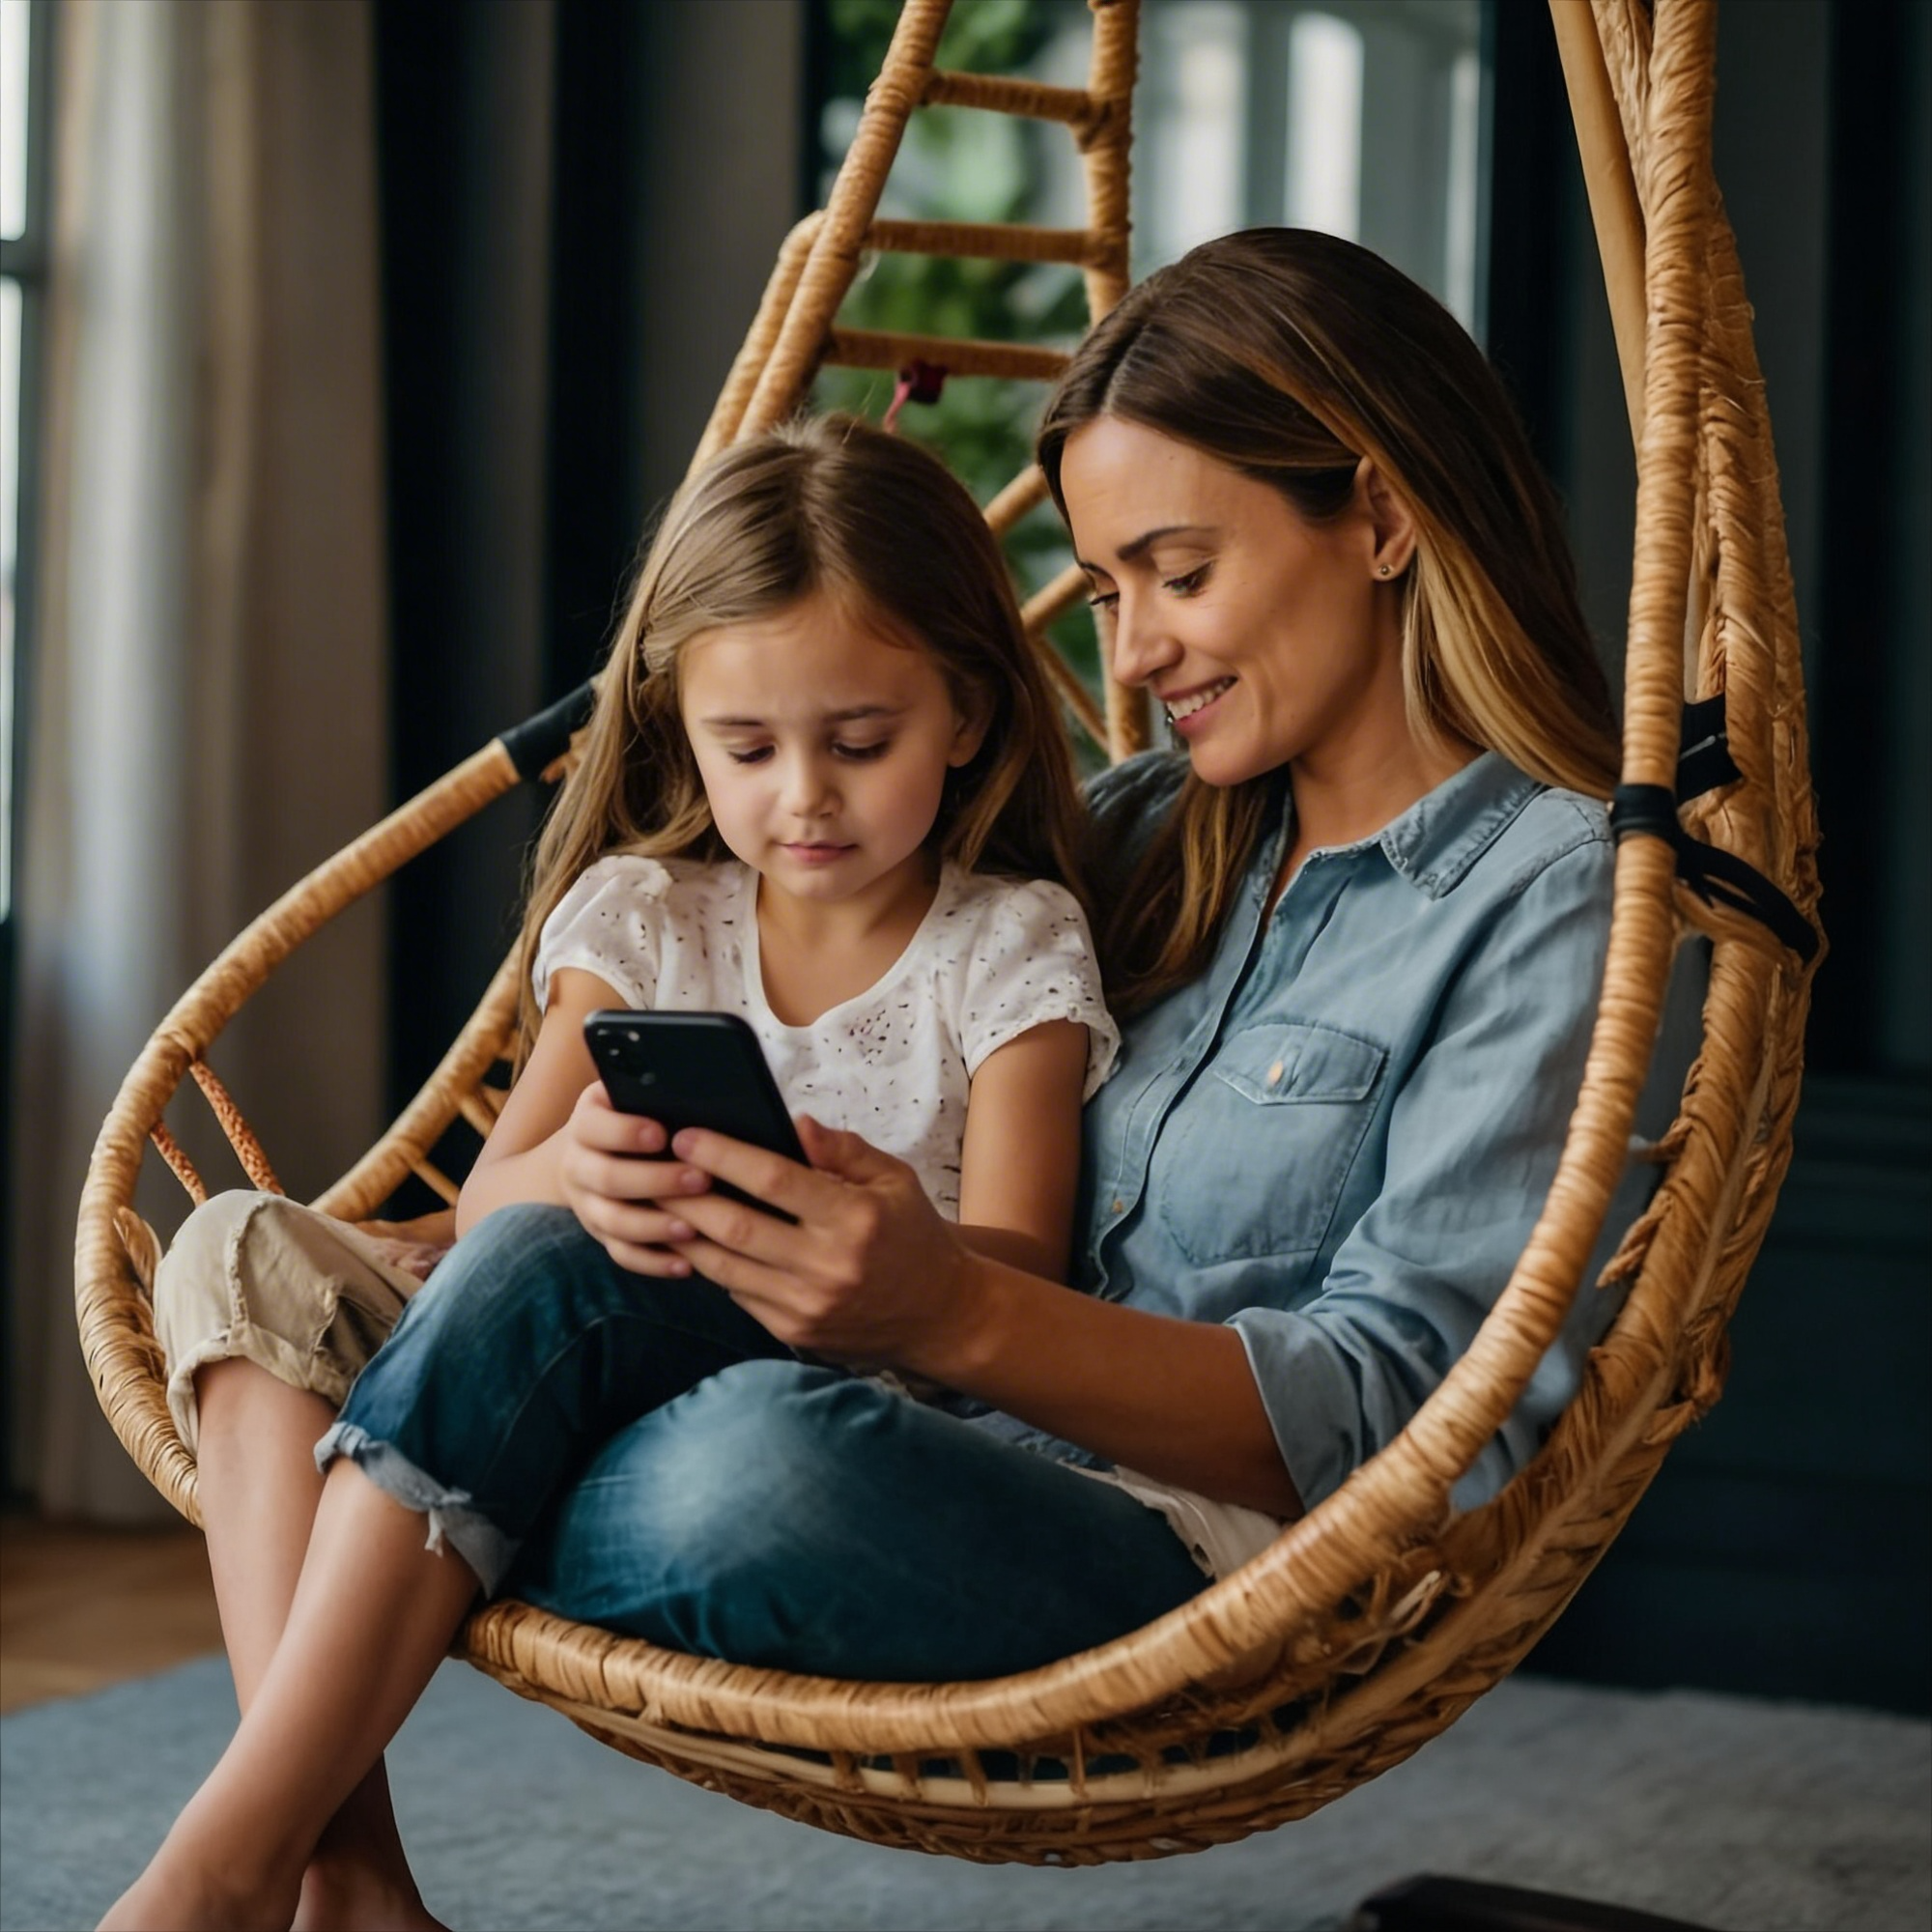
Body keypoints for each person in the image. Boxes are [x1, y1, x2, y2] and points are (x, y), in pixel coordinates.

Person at [106, 228, 1694, 1932]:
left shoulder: (1553, 897)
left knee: (732, 1466)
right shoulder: (1148, 833)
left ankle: (298, 1738)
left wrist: (946, 1311)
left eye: (1176, 569)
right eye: (1104, 593)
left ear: (1379, 517)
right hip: (874, 1411)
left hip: (1180, 1554)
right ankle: (317, 1879)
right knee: (257, 1260)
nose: (1137, 651)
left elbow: (1409, 1422)